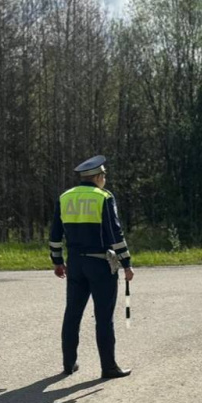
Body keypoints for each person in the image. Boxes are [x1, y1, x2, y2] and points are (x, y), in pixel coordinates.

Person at [49, 155, 134, 378]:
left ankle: (69, 364)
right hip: (100, 263)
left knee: (72, 313)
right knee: (104, 317)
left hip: (75, 263)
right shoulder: (104, 197)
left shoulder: (65, 197)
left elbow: (55, 234)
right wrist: (126, 263)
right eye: (104, 175)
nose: (105, 178)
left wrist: (57, 261)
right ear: (97, 177)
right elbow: (115, 233)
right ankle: (109, 367)